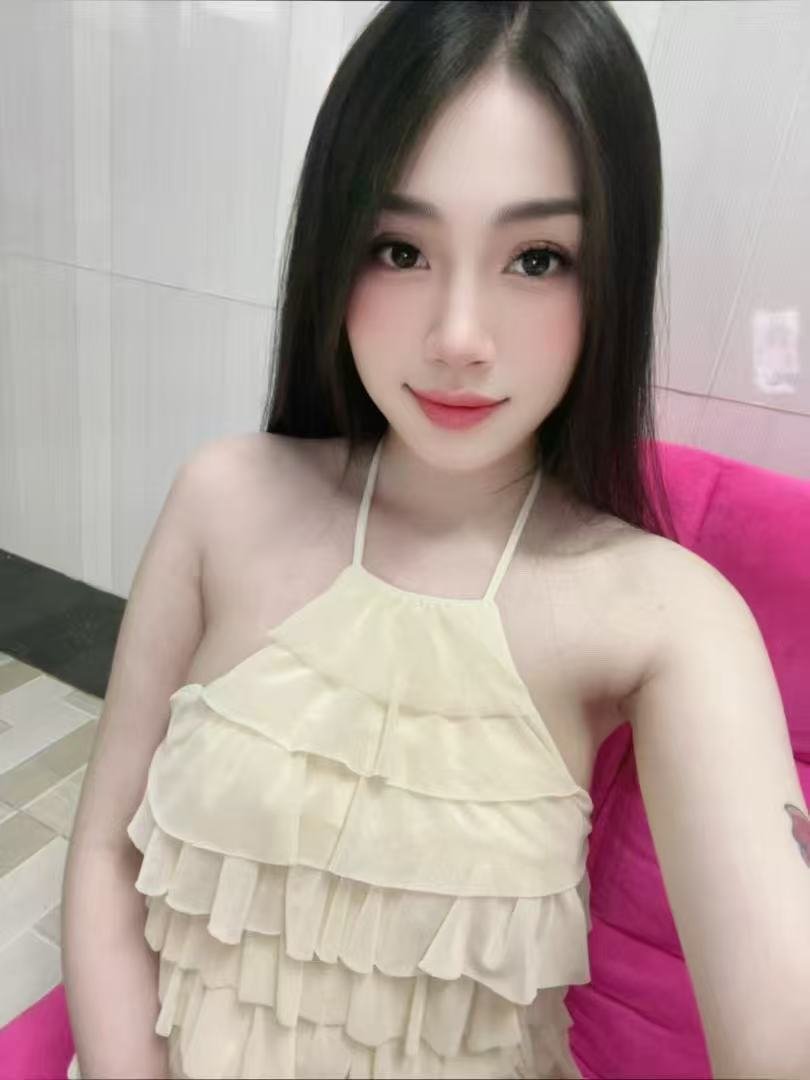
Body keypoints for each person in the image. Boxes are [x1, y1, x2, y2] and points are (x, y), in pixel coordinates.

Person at [62, 2, 678, 1077]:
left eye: (538, 258)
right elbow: (108, 859)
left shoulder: (660, 610)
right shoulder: (222, 497)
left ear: (611, 275)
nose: (458, 338)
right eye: (400, 249)